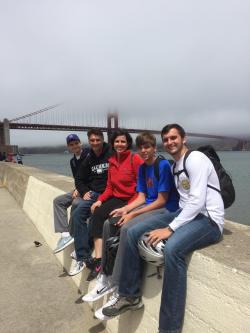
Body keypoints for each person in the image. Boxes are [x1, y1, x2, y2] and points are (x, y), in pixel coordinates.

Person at [102, 124, 224, 333]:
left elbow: (197, 200)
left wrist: (170, 229)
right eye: (166, 139)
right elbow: (185, 203)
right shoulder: (176, 165)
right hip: (185, 214)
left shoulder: (195, 159)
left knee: (173, 250)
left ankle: (168, 328)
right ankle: (129, 295)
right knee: (131, 232)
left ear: (184, 139)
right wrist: (133, 212)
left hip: (208, 220)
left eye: (174, 138)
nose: (170, 142)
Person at [82, 132, 179, 320]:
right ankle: (106, 276)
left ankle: (121, 287)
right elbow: (142, 197)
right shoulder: (143, 168)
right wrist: (125, 209)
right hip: (148, 204)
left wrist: (133, 213)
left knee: (127, 229)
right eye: (141, 147)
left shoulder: (163, 165)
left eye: (148, 147)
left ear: (154, 148)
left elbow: (161, 200)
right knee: (110, 222)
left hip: (166, 209)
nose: (144, 151)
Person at [86, 129, 143, 281]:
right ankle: (98, 259)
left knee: (112, 223)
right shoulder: (112, 161)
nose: (120, 144)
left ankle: (111, 265)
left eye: (123, 141)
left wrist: (128, 208)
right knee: (97, 214)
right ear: (112, 144)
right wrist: (100, 200)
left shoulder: (135, 159)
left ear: (128, 143)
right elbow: (110, 188)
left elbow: (141, 188)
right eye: (117, 141)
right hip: (117, 198)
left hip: (132, 199)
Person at [68, 129, 112, 276]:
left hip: (108, 195)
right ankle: (83, 257)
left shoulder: (111, 154)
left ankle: (88, 253)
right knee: (77, 214)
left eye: (97, 140)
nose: (95, 143)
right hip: (93, 194)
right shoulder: (89, 158)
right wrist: (85, 190)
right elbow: (79, 179)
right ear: (89, 141)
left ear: (102, 139)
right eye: (92, 140)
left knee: (95, 215)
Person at [53, 134, 89, 253]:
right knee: (58, 201)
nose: (74, 146)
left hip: (89, 189)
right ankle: (65, 234)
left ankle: (75, 235)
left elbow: (93, 177)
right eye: (71, 145)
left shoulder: (89, 155)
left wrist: (80, 190)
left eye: (76, 143)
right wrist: (77, 189)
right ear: (68, 147)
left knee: (76, 203)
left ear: (80, 143)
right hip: (79, 189)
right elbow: (77, 178)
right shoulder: (73, 161)